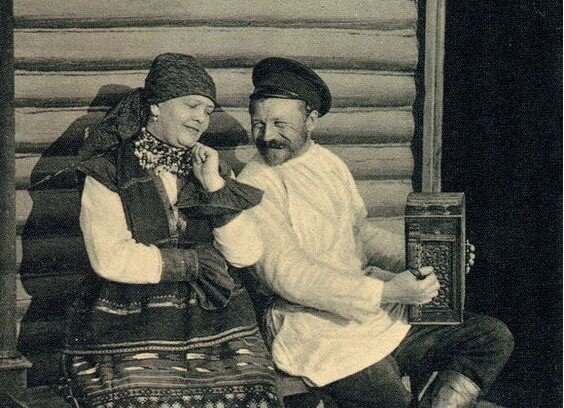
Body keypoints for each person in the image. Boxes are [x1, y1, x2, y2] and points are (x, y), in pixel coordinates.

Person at [237, 57, 514, 408]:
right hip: (317, 331)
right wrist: (387, 291)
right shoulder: (254, 185)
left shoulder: (327, 164)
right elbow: (288, 275)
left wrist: (427, 257)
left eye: (280, 124)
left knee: (490, 337)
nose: (267, 137)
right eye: (258, 124)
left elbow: (360, 233)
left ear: (310, 120)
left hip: (376, 317)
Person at [63, 53, 282, 408]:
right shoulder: (108, 169)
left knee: (254, 391)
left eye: (207, 111)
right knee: (143, 397)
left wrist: (213, 187)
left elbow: (245, 254)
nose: (200, 119)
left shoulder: (210, 168)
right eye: (191, 106)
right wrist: (192, 263)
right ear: (155, 106)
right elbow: (110, 258)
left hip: (216, 321)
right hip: (130, 319)